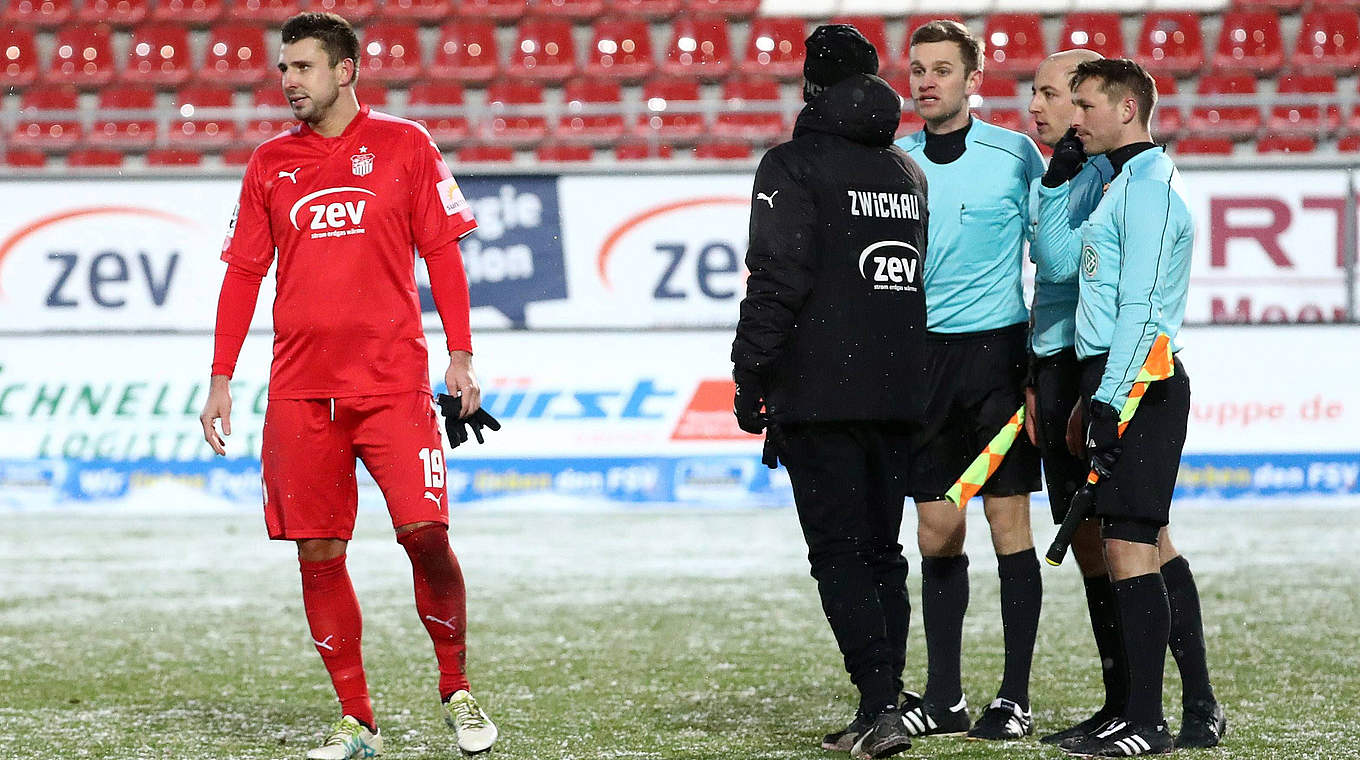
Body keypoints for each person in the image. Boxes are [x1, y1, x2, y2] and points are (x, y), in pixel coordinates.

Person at [197, 13, 498, 759]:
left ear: (345, 70)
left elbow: (443, 254)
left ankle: (455, 689)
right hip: (301, 395)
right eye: (284, 68)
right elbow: (242, 273)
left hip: (393, 386)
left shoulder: (407, 145)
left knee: (426, 535)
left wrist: (459, 355)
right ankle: (356, 718)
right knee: (318, 554)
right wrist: (220, 377)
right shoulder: (269, 163)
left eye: (302, 67)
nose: (288, 80)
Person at [731, 23, 929, 760]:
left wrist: (750, 374)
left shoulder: (792, 165)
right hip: (900, 390)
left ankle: (879, 704)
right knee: (884, 552)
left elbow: (777, 280)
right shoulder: (907, 173)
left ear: (811, 84)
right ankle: (885, 699)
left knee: (840, 555)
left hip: (820, 393)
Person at [1028, 54, 1226, 750]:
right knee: (1135, 544)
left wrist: (1110, 400)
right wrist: (1056, 185)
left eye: (1085, 106)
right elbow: (1056, 265)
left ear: (1127, 109)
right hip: (1109, 379)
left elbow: (1144, 311)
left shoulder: (1149, 190)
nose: (1073, 119)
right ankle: (1164, 710)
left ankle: (1147, 721)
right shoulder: (1114, 182)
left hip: (1138, 382)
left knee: (1129, 545)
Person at [892, 19, 1045, 741]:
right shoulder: (893, 161)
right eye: (918, 68)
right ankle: (945, 698)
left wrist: (1045, 362)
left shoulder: (1016, 154)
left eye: (943, 69)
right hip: (920, 363)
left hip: (996, 359)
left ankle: (1014, 698)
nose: (926, 81)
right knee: (936, 528)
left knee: (1008, 521)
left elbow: (1051, 254)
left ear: (973, 79)